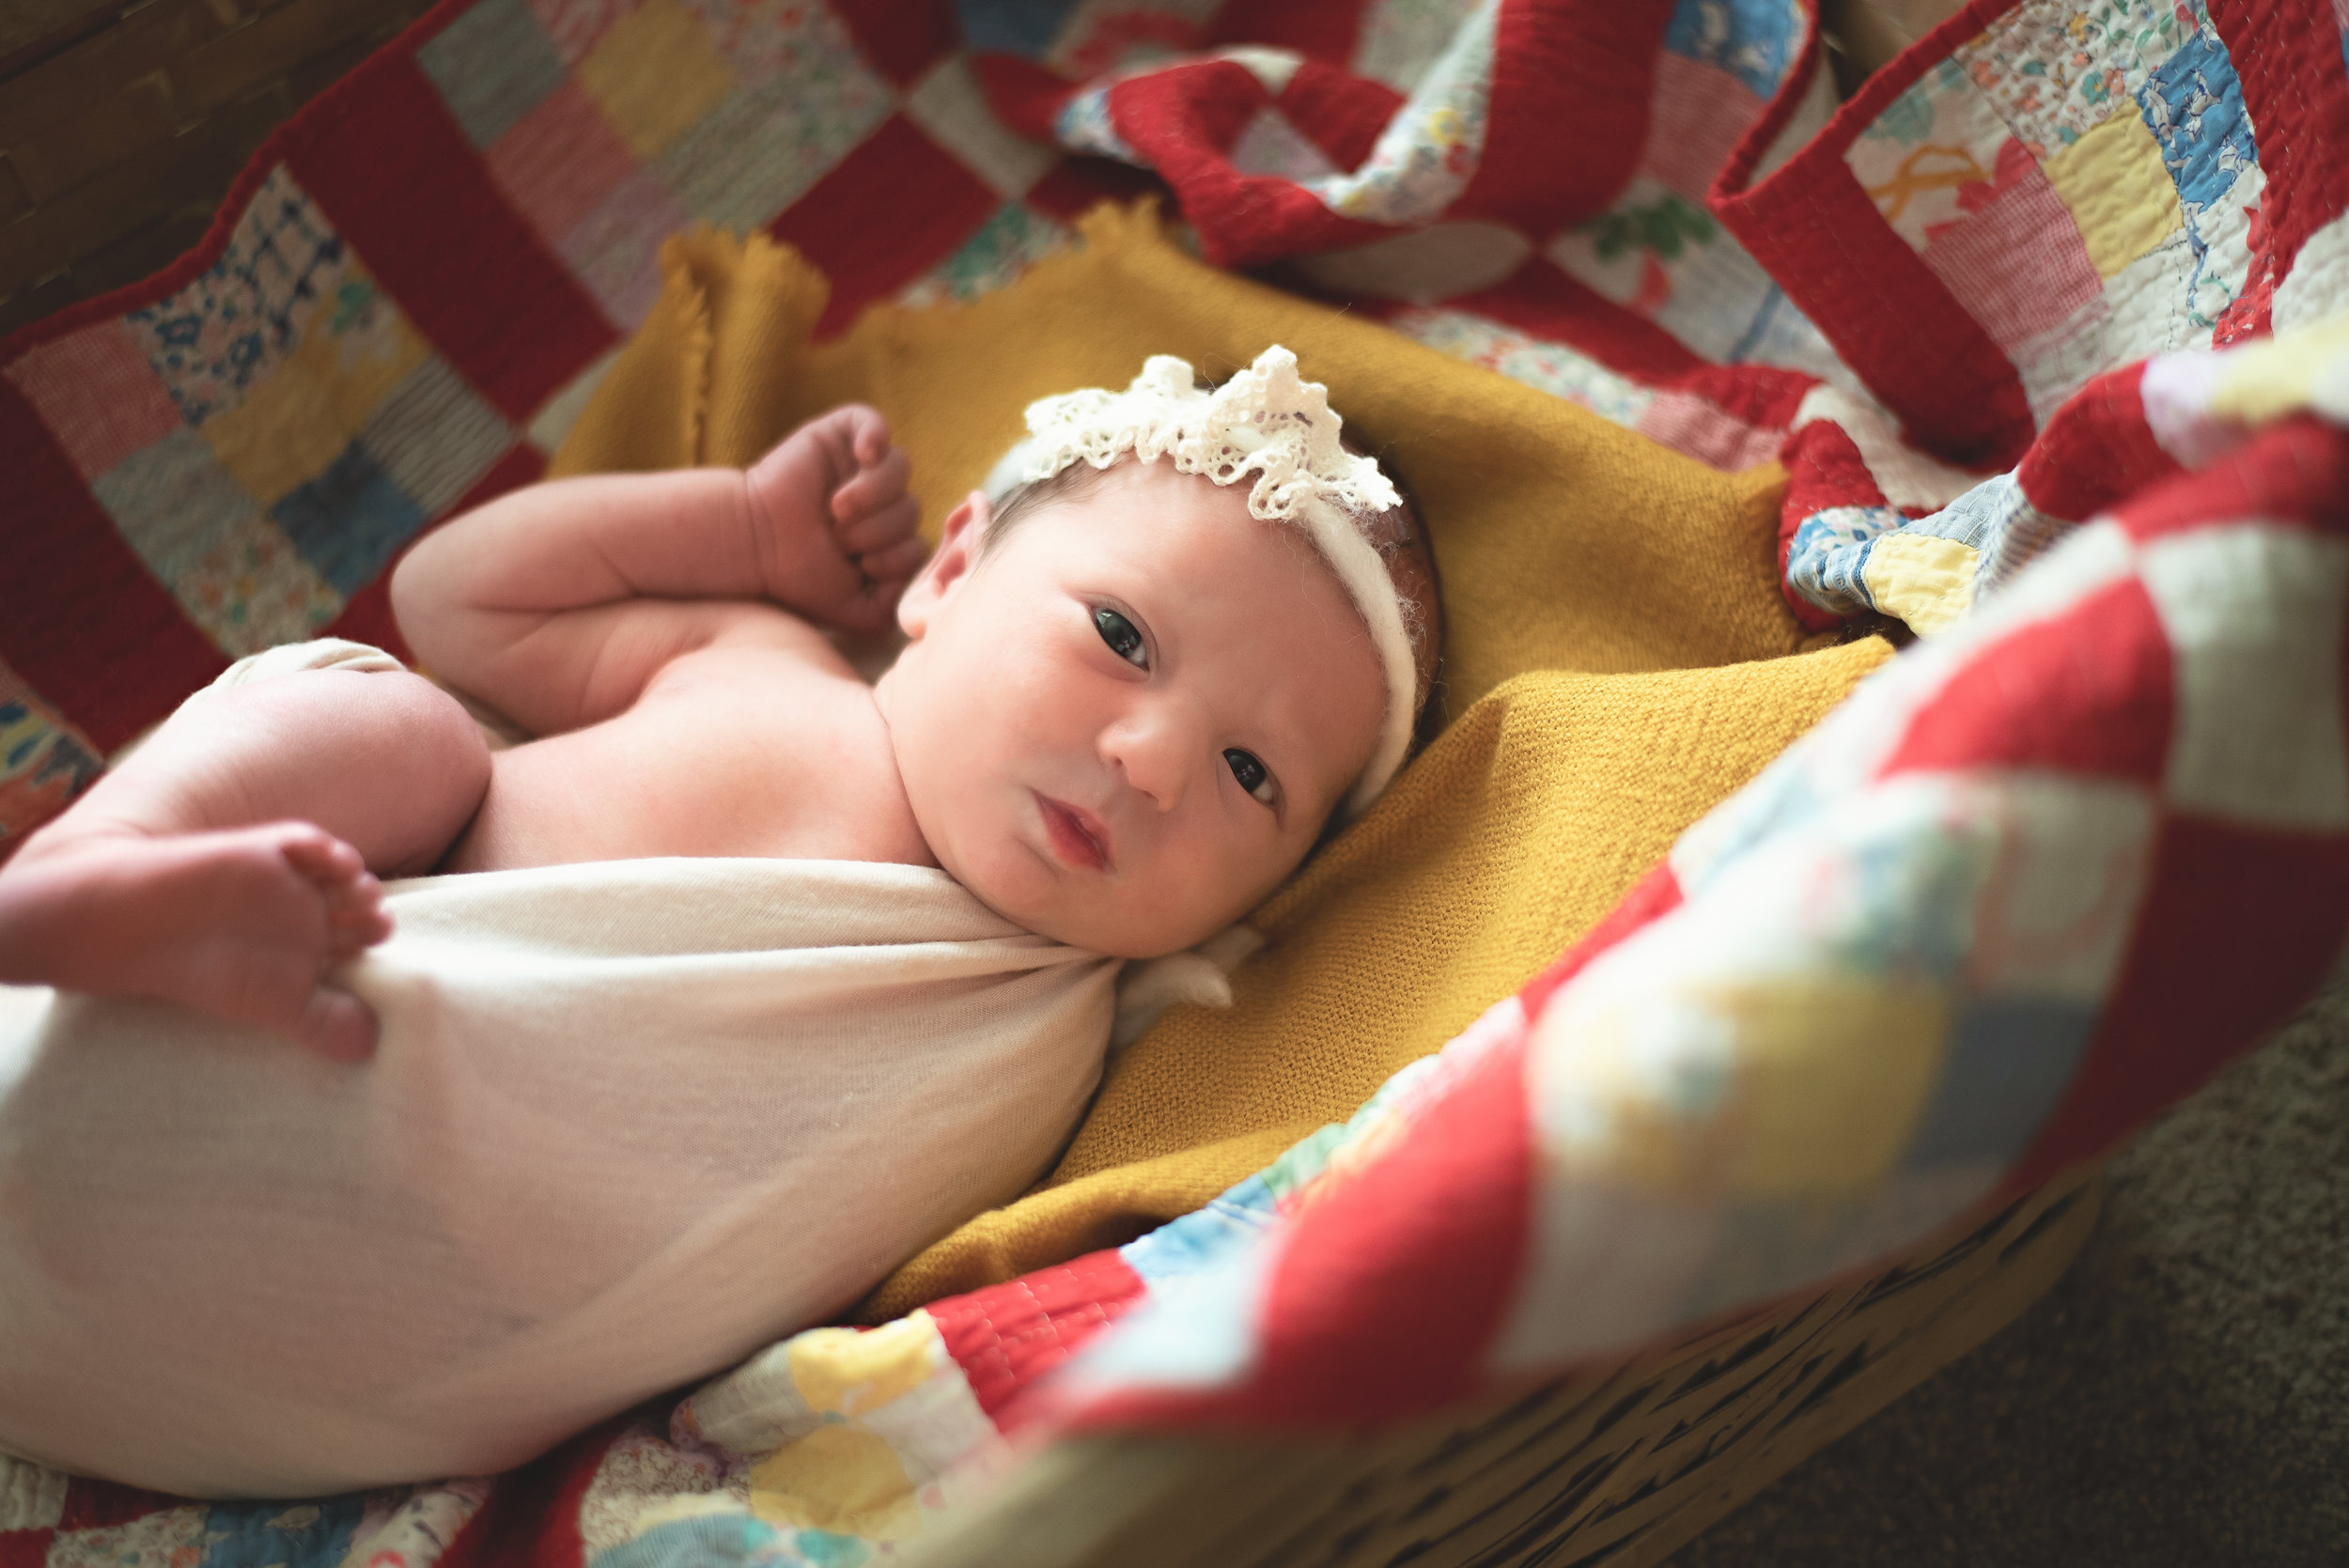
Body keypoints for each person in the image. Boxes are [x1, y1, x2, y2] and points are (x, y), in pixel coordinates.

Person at [0, 347, 1439, 1059]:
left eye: (1257, 776)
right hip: (360, 912)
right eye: (1121, 633)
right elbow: (456, 603)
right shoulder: (768, 659)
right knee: (400, 724)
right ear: (947, 574)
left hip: (381, 1221)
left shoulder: (1071, 1014)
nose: (1155, 760)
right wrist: (745, 537)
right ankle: (102, 865)